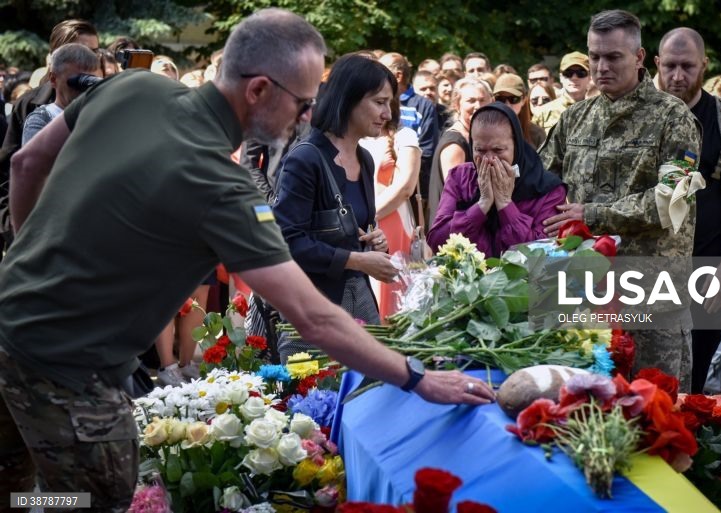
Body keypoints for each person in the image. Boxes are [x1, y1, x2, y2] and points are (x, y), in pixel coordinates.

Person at [0, 10, 494, 511]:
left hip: (10, 312)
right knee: (91, 502)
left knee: (25, 493)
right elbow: (313, 316)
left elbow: (26, 164)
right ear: (258, 90)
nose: (307, 117)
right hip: (66, 367)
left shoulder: (132, 88)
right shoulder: (224, 188)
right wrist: (419, 379)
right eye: (302, 103)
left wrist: (29, 259)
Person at [539, 9, 702, 392]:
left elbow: (672, 199)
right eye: (594, 56)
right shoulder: (575, 118)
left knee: (658, 412)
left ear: (639, 58)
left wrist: (592, 214)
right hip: (584, 294)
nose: (600, 67)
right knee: (587, 409)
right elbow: (543, 184)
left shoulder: (673, 118)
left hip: (652, 294)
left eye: (613, 57)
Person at [273, 54, 398, 360]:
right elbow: (288, 242)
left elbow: (354, 229)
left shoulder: (365, 159)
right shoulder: (306, 158)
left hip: (358, 305)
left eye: (390, 103)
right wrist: (357, 260)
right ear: (349, 99)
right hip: (311, 313)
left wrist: (373, 242)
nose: (387, 112)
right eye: (379, 102)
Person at [655, 27, 721, 394]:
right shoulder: (639, 116)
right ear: (655, 63)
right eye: (670, 66)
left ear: (704, 66)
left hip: (708, 262)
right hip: (646, 264)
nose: (678, 76)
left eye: (688, 66)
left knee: (699, 374)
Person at [0, 19, 99, 250]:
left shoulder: (108, 103)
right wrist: (14, 229)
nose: (89, 60)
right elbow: (13, 171)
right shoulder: (32, 107)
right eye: (78, 52)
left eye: (94, 52)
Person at [428, 102, 565, 256]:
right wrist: (482, 204)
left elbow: (540, 253)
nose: (489, 159)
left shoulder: (548, 189)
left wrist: (505, 204)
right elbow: (437, 241)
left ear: (516, 145)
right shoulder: (459, 178)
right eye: (480, 150)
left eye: (498, 150)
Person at [360, 97, 421, 318]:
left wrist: (369, 217)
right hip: (359, 228)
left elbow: (405, 186)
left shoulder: (404, 135)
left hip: (392, 223)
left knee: (393, 304)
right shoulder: (349, 135)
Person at [379, 52, 440, 216]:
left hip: (412, 192)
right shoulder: (374, 103)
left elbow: (427, 150)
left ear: (398, 76)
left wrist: (402, 171)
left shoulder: (423, 106)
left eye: (380, 69)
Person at [428, 77, 492, 226]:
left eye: (483, 100)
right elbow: (460, 194)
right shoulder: (455, 144)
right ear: (457, 105)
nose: (478, 105)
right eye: (471, 100)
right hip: (453, 232)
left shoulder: (473, 136)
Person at [21, 43, 101, 146]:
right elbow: (32, 161)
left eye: (89, 80)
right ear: (53, 79)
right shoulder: (41, 119)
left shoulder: (99, 114)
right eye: (77, 79)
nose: (83, 86)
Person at [532, 52, 590, 134]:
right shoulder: (543, 113)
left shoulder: (602, 111)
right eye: (568, 73)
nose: (574, 77)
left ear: (590, 77)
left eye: (581, 73)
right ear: (561, 77)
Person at [493, 73, 546, 148]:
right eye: (501, 99)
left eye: (514, 99)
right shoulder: (483, 131)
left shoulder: (537, 134)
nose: (507, 105)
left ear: (524, 99)